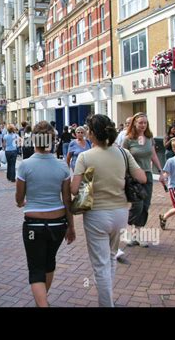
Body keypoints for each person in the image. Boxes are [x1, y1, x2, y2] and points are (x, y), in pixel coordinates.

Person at [71, 114, 146, 306]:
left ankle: (107, 303)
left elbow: (73, 189)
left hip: (96, 214)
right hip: (120, 212)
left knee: (100, 264)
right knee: (111, 257)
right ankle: (108, 298)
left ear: (93, 134)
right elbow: (142, 178)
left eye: (88, 130)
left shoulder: (85, 157)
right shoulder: (122, 153)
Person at [16, 121, 76, 307]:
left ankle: (42, 304)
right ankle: (42, 300)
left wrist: (22, 203)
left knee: (36, 268)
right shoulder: (62, 167)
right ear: (52, 141)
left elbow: (19, 198)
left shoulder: (25, 166)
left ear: (34, 140)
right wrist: (71, 226)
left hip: (34, 224)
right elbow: (67, 200)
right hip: (58, 223)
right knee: (49, 263)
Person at [122, 112, 165, 247]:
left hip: (147, 175)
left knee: (145, 205)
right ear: (134, 123)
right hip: (134, 176)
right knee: (137, 205)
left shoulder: (149, 138)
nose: (143, 125)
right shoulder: (128, 139)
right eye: (140, 122)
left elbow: (153, 155)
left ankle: (138, 235)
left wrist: (160, 170)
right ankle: (130, 231)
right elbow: (122, 157)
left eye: (145, 123)